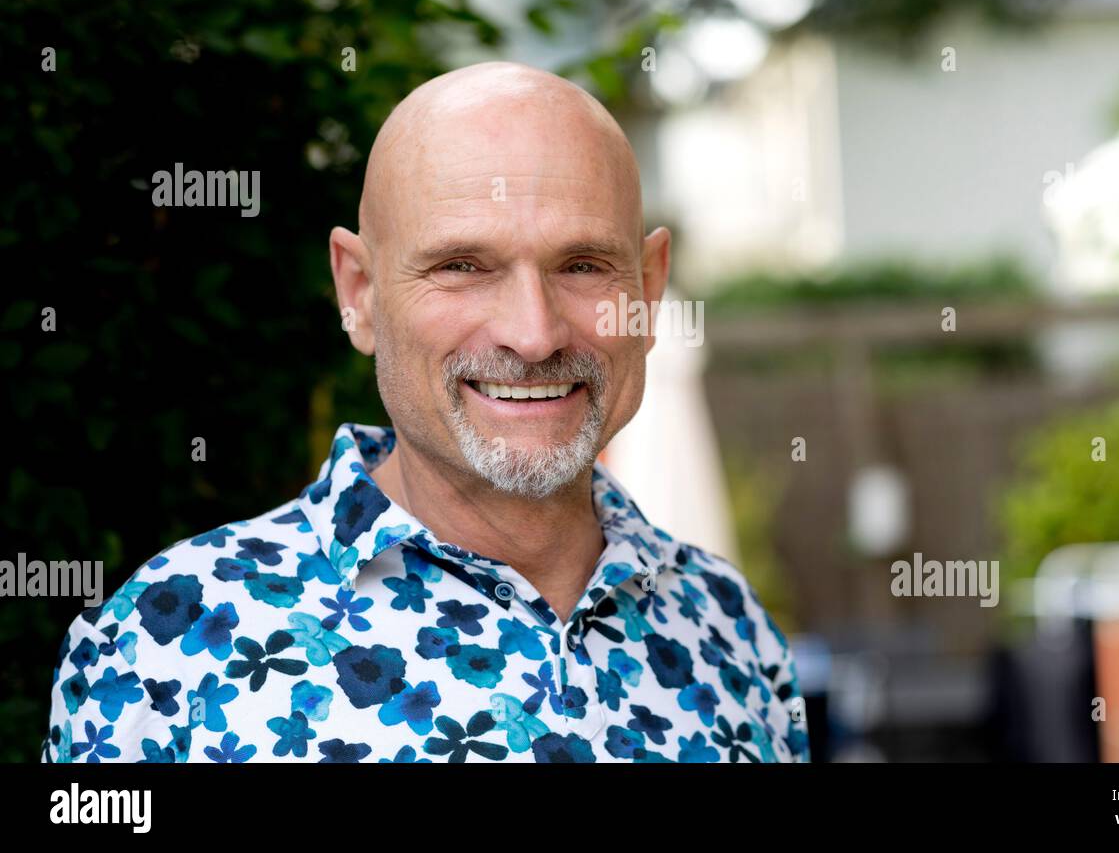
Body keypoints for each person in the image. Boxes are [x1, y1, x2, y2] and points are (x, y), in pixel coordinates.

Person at [41, 62, 809, 763]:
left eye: (582, 266)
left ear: (648, 287)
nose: (533, 334)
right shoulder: (164, 646)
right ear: (360, 293)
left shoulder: (729, 631)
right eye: (462, 267)